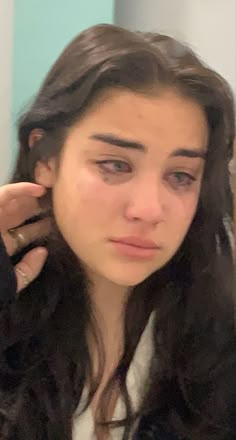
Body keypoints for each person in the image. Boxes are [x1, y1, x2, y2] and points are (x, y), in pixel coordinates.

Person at [0, 24, 235, 440]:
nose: (148, 210)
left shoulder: (218, 346)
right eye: (115, 164)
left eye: (180, 175)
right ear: (45, 160)